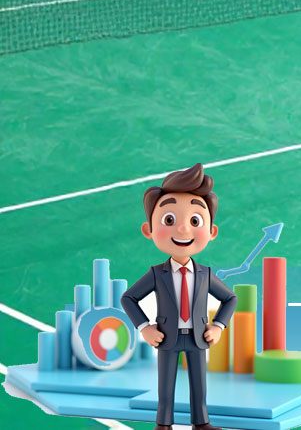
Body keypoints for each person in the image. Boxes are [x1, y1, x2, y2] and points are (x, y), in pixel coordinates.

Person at [122, 163, 238, 430]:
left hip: (198, 336)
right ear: (148, 230)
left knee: (199, 384)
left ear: (212, 231)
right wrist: (145, 327)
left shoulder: (205, 274)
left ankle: (202, 423)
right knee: (166, 385)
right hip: (167, 336)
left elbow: (230, 298)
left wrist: (218, 326)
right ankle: (163, 424)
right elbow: (129, 298)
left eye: (195, 221)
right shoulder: (156, 273)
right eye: (169, 220)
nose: (184, 229)